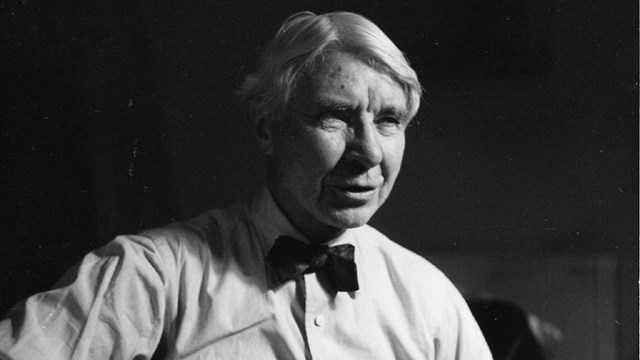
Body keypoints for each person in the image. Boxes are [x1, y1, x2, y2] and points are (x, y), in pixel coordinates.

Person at [0, 11, 492, 359]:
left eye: (388, 121)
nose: (368, 152)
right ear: (265, 126)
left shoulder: (431, 303)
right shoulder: (151, 276)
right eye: (336, 117)